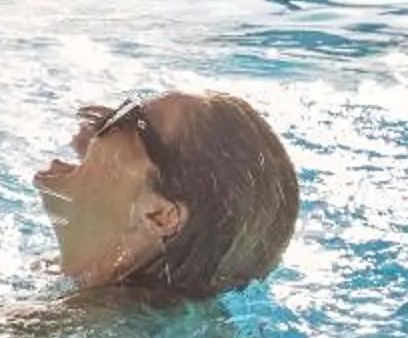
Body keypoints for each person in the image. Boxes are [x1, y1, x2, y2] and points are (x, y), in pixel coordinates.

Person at [33, 90, 299, 299]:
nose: (102, 125)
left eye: (133, 119)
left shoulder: (69, 329)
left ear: (159, 216)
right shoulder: (124, 312)